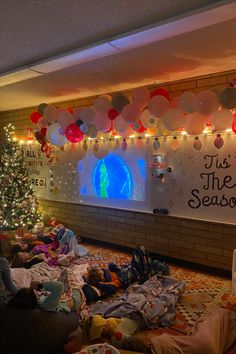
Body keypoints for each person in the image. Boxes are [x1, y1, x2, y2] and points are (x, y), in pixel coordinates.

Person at [82, 246, 169, 302]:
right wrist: (98, 283)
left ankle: (154, 267)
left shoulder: (108, 271)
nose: (101, 269)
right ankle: (151, 271)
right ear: (101, 278)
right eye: (99, 271)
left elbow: (113, 267)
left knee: (159, 266)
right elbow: (111, 287)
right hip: (140, 275)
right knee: (140, 250)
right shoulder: (112, 281)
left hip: (134, 267)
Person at [8, 268, 89, 316]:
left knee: (65, 272)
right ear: (33, 297)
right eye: (32, 291)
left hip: (64, 295)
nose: (34, 290)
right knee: (68, 272)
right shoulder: (46, 305)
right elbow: (59, 286)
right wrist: (40, 285)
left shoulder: (40, 302)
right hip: (76, 297)